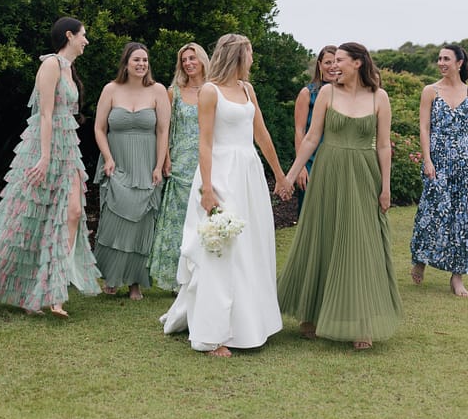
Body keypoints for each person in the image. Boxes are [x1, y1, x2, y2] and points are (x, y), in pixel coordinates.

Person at [160, 33, 292, 356]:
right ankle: (213, 334)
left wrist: (279, 173)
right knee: (223, 249)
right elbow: (206, 142)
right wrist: (207, 188)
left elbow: (261, 133)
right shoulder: (210, 91)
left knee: (251, 247)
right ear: (237, 55)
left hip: (248, 174)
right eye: (250, 53)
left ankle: (251, 324)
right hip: (220, 174)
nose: (253, 59)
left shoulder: (248, 90)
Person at [0, 17, 101, 316]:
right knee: (31, 217)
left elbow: (67, 115)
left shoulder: (69, 69)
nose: (86, 41)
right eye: (83, 35)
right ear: (69, 35)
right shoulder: (50, 65)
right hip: (45, 146)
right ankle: (38, 293)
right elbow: (45, 114)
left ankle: (55, 289)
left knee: (74, 212)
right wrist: (45, 157)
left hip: (68, 146)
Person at [278, 42, 402, 350]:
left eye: (340, 61)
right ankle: (310, 315)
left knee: (362, 243)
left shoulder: (379, 97)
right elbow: (311, 138)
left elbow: (384, 145)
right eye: (331, 62)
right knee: (321, 239)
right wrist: (290, 176)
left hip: (364, 174)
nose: (334, 66)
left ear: (358, 63)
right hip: (328, 173)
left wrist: (386, 187)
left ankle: (362, 323)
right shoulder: (326, 95)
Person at [410, 44, 468, 297]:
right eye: (439, 59)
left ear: (459, 62)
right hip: (439, 161)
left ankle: (457, 276)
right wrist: (427, 160)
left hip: (466, 164)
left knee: (466, 220)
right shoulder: (430, 91)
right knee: (432, 212)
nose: (441, 63)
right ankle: (420, 260)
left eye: (446, 58)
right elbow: (424, 127)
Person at [93, 42, 170, 300]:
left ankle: (135, 282)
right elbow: (99, 128)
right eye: (136, 60)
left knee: (142, 223)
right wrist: (107, 158)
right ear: (126, 63)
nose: (141, 65)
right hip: (117, 162)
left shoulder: (158, 91)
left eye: (145, 61)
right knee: (113, 221)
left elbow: (162, 131)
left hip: (147, 165)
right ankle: (112, 278)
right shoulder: (111, 89)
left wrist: (159, 166)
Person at [148, 42, 210, 291]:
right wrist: (165, 159)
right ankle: (177, 279)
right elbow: (164, 128)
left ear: (202, 60)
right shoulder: (173, 91)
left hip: (207, 160)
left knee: (202, 216)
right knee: (179, 221)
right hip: (181, 162)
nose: (188, 63)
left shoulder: (214, 89)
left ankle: (204, 274)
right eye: (184, 60)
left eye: (192, 58)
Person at [294, 46, 337, 215]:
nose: (332, 66)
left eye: (336, 62)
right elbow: (299, 130)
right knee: (310, 212)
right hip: (312, 160)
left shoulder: (347, 94)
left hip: (337, 159)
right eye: (328, 62)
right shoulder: (307, 93)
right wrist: (301, 167)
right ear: (319, 65)